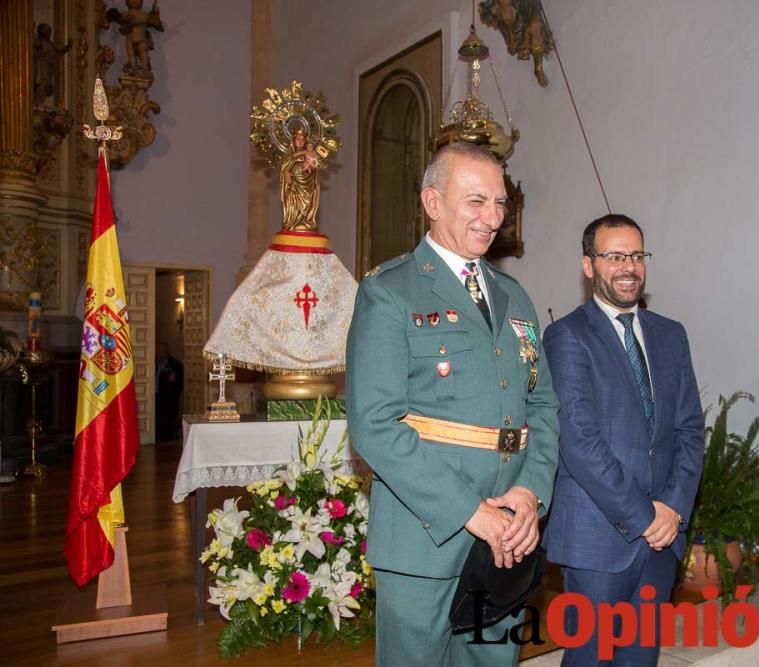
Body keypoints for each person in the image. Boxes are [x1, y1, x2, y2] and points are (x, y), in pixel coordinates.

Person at [346, 141, 559, 666]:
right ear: (433, 202)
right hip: (426, 535)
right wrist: (470, 512)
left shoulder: (516, 296)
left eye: (500, 203)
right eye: (476, 202)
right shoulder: (391, 292)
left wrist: (530, 495)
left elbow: (544, 406)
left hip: (507, 531)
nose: (492, 219)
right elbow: (375, 425)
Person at [542, 214, 705, 666]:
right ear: (589, 266)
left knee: (640, 658)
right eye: (614, 255)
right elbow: (579, 443)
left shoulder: (671, 335)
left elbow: (690, 429)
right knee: (590, 658)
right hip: (597, 538)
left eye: (636, 255)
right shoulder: (567, 337)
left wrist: (671, 508)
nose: (627, 266)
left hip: (661, 540)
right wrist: (644, 515)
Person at [279, 129, 321, 231]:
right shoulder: (289, 156)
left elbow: (315, 166)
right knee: (293, 204)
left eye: (303, 139)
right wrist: (287, 174)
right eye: (298, 139)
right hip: (294, 186)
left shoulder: (309, 154)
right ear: (293, 140)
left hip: (307, 185)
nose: (300, 141)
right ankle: (292, 221)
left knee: (308, 204)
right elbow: (285, 168)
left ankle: (306, 220)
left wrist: (311, 164)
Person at [33, 24, 72, 107]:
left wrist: (68, 46)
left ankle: (40, 103)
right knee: (41, 85)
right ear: (41, 31)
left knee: (46, 85)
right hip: (41, 68)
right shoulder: (39, 41)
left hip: (49, 70)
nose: (48, 32)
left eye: (49, 30)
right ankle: (37, 103)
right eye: (46, 30)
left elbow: (60, 49)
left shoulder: (51, 44)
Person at [154, 342, 183, 441]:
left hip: (169, 403)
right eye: (158, 352)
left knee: (167, 429)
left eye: (162, 352)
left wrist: (174, 381)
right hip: (154, 402)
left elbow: (181, 386)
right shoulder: (152, 364)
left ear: (167, 352)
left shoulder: (176, 366)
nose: (160, 354)